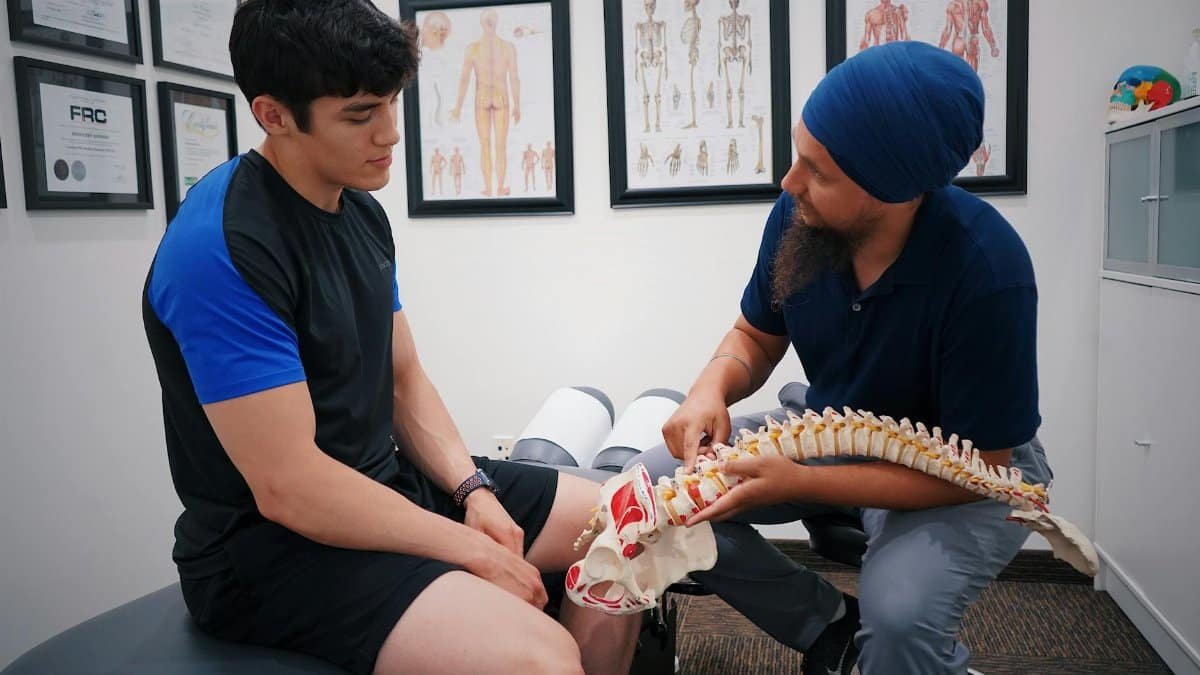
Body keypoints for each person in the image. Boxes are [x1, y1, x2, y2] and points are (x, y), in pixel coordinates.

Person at [141, 2, 639, 674]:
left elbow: (403, 377)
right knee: (540, 656)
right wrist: (471, 549)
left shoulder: (360, 212)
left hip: (386, 488)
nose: (391, 134)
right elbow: (291, 487)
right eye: (359, 114)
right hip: (269, 551)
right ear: (274, 114)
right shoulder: (220, 248)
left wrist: (474, 493)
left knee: (632, 519)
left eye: (392, 104)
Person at [626, 41, 1051, 675]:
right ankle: (829, 629)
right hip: (834, 433)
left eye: (818, 171)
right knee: (654, 492)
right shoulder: (801, 217)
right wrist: (708, 387)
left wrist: (804, 483)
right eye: (800, 156)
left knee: (903, 620)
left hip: (967, 476)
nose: (789, 182)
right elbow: (756, 336)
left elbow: (980, 468)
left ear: (893, 190)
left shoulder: (988, 271)